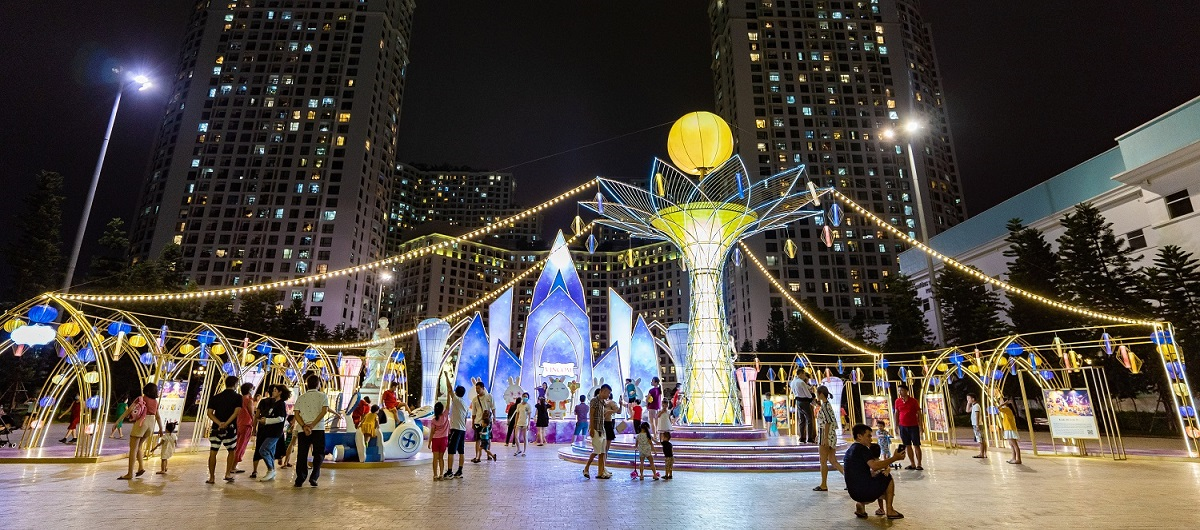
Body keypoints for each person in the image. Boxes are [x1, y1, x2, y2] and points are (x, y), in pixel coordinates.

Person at [844, 423, 907, 519]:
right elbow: (874, 466)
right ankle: (890, 510)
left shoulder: (850, 450)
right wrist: (894, 458)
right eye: (868, 436)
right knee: (887, 477)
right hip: (864, 492)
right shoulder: (863, 449)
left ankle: (861, 504)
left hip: (853, 493)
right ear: (859, 436)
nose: (871, 439)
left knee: (873, 478)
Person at [116, 383, 163, 480]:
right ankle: (141, 467)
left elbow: (129, 410)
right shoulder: (155, 402)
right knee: (138, 447)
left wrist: (118, 421)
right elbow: (158, 416)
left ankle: (129, 473)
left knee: (133, 448)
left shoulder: (141, 399)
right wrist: (161, 429)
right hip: (151, 424)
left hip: (142, 423)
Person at [293, 374, 332, 487]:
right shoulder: (322, 396)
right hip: (318, 428)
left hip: (303, 430)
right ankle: (314, 476)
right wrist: (313, 425)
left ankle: (300, 478)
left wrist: (304, 426)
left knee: (302, 454)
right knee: (319, 453)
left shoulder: (301, 397)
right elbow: (324, 411)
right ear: (318, 384)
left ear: (307, 384)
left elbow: (296, 414)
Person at [206, 375, 242, 484]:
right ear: (235, 384)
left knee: (213, 451)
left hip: (216, 428)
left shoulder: (216, 397)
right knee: (231, 451)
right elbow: (236, 412)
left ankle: (211, 477)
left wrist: (219, 423)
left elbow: (209, 413)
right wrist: (226, 423)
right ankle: (227, 474)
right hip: (230, 428)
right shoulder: (238, 397)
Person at [253, 385, 289, 481]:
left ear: (280, 392)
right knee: (270, 451)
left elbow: (281, 418)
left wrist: (267, 421)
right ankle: (271, 471)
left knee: (263, 450)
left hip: (275, 432)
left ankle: (271, 469)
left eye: (275, 390)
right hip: (270, 431)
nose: (273, 392)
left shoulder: (281, 404)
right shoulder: (276, 403)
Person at [582, 385, 618, 479]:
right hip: (596, 429)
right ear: (603, 391)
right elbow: (591, 414)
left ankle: (601, 472)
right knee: (596, 451)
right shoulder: (594, 400)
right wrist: (591, 428)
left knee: (602, 452)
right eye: (608, 393)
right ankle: (586, 468)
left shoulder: (603, 402)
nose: (608, 395)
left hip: (602, 429)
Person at [813, 385, 845, 491]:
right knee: (832, 460)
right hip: (831, 435)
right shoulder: (827, 405)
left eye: (817, 394)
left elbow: (827, 422)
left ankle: (823, 484)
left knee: (823, 461)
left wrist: (825, 437)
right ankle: (849, 479)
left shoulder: (825, 406)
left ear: (821, 394)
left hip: (826, 436)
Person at [894, 383, 923, 470]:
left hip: (913, 426)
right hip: (903, 426)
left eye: (902, 390)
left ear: (906, 391)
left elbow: (919, 413)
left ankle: (919, 464)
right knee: (907, 445)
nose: (900, 392)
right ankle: (912, 463)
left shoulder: (913, 401)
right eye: (899, 390)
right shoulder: (897, 401)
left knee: (916, 445)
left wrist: (921, 425)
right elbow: (896, 413)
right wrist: (896, 425)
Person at [232, 382, 257, 473]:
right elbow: (252, 413)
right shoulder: (249, 400)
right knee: (241, 445)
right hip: (246, 424)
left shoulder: (240, 399)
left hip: (239, 423)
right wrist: (254, 425)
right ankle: (233, 466)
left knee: (237, 444)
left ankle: (232, 465)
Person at [446, 385, 469, 478]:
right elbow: (465, 419)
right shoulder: (465, 404)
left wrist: (446, 377)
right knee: (461, 451)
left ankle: (449, 472)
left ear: (456, 392)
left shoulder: (457, 400)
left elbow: (450, 388)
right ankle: (460, 471)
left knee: (451, 451)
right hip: (462, 429)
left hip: (456, 429)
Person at [469, 381, 495, 463]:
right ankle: (477, 457)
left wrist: (494, 417)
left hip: (487, 422)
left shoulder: (489, 397)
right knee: (477, 439)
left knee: (488, 438)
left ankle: (488, 455)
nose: (477, 390)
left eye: (478, 388)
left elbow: (493, 407)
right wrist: (473, 422)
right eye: (476, 388)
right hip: (478, 422)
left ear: (483, 388)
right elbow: (473, 413)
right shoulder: (475, 399)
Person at [429, 401, 449, 480]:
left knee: (435, 458)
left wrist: (429, 442)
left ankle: (435, 475)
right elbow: (448, 405)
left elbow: (432, 432)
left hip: (435, 440)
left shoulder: (434, 420)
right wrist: (449, 395)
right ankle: (441, 474)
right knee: (441, 458)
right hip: (444, 439)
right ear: (442, 409)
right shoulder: (445, 416)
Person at [791, 376, 814, 443]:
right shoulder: (801, 382)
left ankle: (802, 437)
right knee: (809, 420)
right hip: (805, 402)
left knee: (801, 420)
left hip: (798, 402)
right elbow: (808, 394)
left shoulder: (793, 382)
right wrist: (811, 397)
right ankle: (809, 438)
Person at [999, 398, 1021, 464]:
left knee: (1014, 445)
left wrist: (1003, 404)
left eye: (1001, 401)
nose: (1000, 402)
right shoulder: (1007, 410)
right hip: (1008, 429)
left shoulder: (1007, 409)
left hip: (1010, 429)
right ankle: (1013, 458)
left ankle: (1018, 459)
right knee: (1012, 445)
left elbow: (997, 408)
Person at [967, 394, 987, 459]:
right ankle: (983, 453)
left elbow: (977, 415)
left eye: (969, 398)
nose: (968, 400)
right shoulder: (974, 406)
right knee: (981, 439)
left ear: (973, 399)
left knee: (980, 440)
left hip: (977, 425)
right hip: (976, 424)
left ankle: (982, 453)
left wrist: (977, 425)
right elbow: (967, 410)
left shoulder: (976, 406)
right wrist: (968, 403)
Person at [512, 392, 531, 456]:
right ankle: (518, 449)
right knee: (516, 436)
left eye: (526, 397)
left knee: (525, 437)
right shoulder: (519, 405)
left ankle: (524, 451)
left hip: (525, 423)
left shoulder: (528, 406)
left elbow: (529, 415)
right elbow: (517, 414)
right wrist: (515, 423)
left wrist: (529, 424)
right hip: (519, 423)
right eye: (524, 396)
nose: (525, 398)